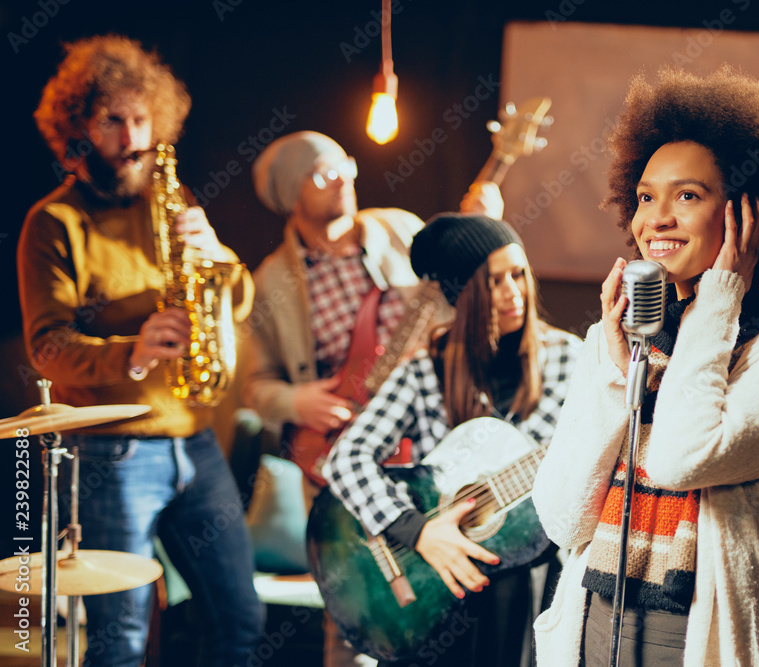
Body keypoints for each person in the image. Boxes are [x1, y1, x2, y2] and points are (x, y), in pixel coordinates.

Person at [531, 66, 759, 666]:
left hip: (691, 643)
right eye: (646, 197)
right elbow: (562, 516)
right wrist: (610, 354)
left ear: (750, 212)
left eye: (687, 195)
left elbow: (683, 458)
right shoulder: (625, 340)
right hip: (586, 632)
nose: (656, 218)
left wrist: (721, 298)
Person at [18, 35, 263, 666]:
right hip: (112, 452)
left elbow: (233, 302)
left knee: (238, 617)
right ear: (79, 130)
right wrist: (134, 350)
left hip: (196, 443)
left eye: (141, 118)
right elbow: (47, 348)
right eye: (113, 121)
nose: (133, 137)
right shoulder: (53, 223)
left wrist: (221, 259)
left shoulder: (173, 201)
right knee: (120, 639)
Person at [324, 213, 582, 666]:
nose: (513, 293)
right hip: (437, 583)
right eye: (494, 282)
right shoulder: (425, 371)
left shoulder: (570, 359)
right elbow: (345, 459)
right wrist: (416, 530)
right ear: (464, 296)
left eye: (518, 275)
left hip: (529, 581)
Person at [244, 131, 503, 488]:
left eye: (344, 167)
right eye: (323, 174)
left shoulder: (400, 228)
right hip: (343, 444)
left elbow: (461, 292)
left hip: (438, 415)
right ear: (292, 197)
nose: (343, 180)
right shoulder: (269, 284)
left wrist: (484, 231)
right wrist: (296, 402)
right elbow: (255, 385)